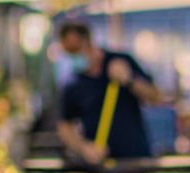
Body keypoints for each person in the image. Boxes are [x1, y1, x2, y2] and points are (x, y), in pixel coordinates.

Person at [52, 22, 165, 162]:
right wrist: (84, 148)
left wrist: (130, 80)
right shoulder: (72, 83)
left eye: (75, 49)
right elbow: (65, 127)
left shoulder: (121, 61)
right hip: (100, 163)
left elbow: (156, 98)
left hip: (136, 159)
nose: (73, 56)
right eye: (68, 52)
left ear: (88, 42)